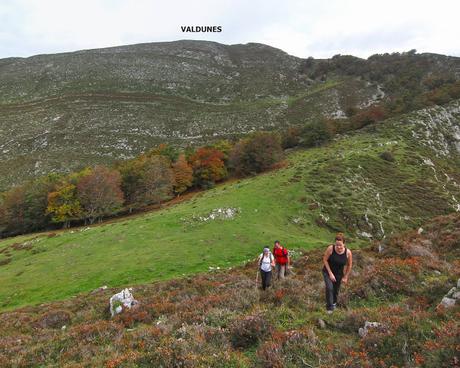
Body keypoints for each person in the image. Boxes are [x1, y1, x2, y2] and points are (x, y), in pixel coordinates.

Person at [322, 233, 352, 313]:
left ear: (344, 244)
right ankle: (329, 308)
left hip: (339, 274)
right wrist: (330, 273)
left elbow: (349, 265)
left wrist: (345, 277)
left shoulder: (348, 252)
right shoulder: (330, 248)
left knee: (336, 290)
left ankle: (334, 304)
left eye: (340, 245)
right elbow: (325, 260)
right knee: (329, 288)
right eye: (337, 245)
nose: (338, 247)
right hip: (327, 271)